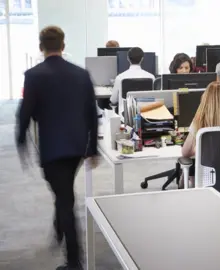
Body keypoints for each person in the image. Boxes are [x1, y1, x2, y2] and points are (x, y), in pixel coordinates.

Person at [16, 26, 99, 270]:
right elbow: (91, 114)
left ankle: (74, 262)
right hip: (76, 147)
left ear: (41, 47)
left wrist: (21, 140)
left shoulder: (33, 75)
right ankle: (59, 228)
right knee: (63, 192)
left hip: (52, 148)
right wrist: (91, 147)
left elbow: (25, 113)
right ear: (63, 46)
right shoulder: (81, 74)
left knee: (65, 201)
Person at [180, 81, 220, 188]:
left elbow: (185, 153)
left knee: (191, 166)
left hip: (206, 187)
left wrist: (197, 149)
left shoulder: (198, 123)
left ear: (205, 99)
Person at [110, 47, 155, 117]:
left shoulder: (120, 77)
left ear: (127, 58)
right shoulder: (151, 77)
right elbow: (154, 98)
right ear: (142, 59)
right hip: (145, 116)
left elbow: (113, 100)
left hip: (125, 117)